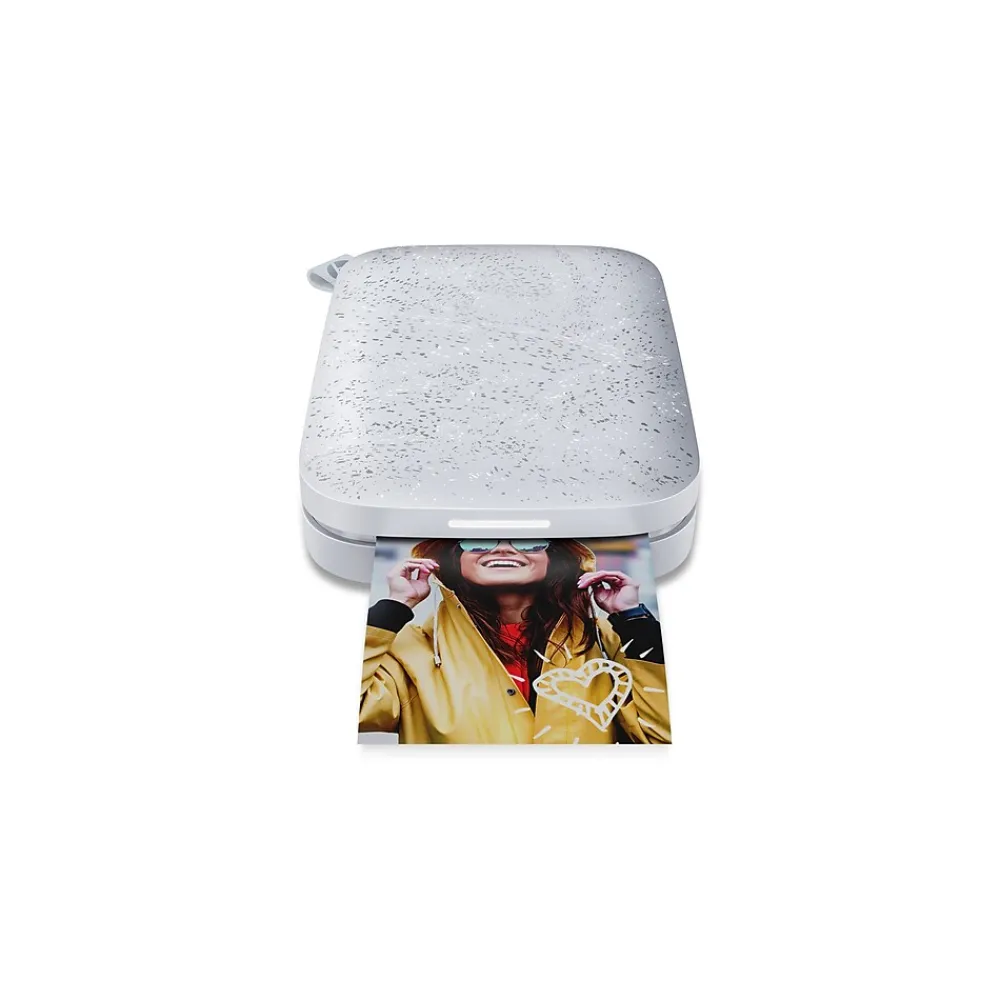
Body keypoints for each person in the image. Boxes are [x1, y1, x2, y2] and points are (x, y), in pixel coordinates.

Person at [361, 539, 670, 744]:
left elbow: (661, 736)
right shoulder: (413, 648)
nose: (503, 550)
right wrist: (395, 605)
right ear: (455, 560)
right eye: (478, 542)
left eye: (528, 542)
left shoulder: (605, 641)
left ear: (554, 558)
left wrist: (632, 618)